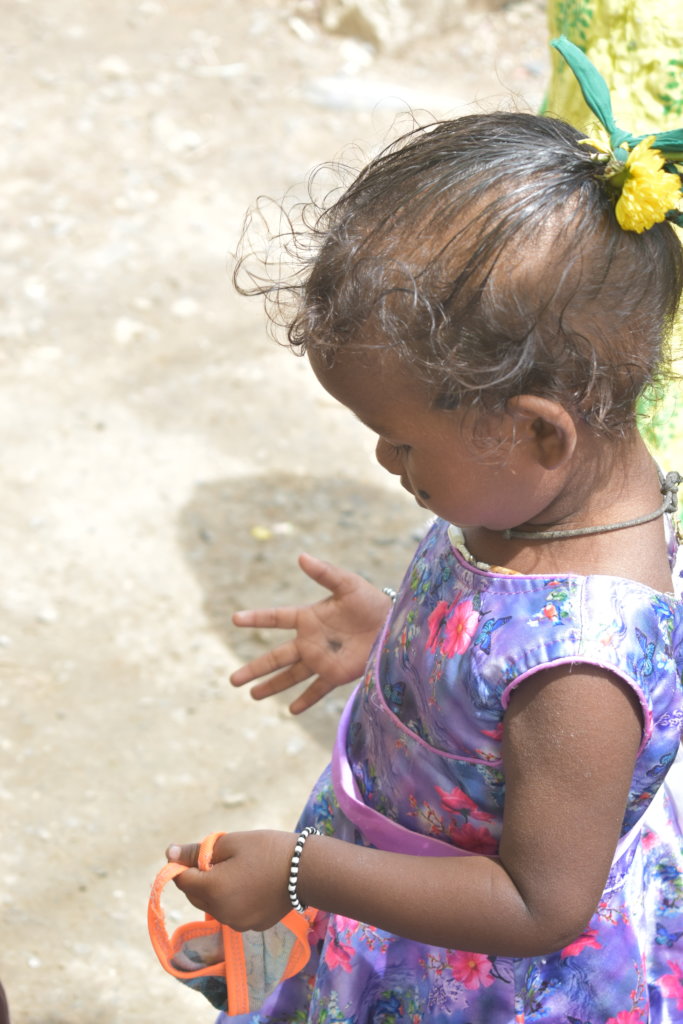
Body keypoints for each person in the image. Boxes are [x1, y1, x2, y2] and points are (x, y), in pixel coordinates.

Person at [164, 44, 683, 1023]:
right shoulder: (537, 494)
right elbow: (495, 666)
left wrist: (303, 873)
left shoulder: (582, 667)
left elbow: (539, 902)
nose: (381, 461)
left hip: (482, 981)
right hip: (403, 908)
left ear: (536, 430)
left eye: (401, 442)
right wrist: (402, 637)